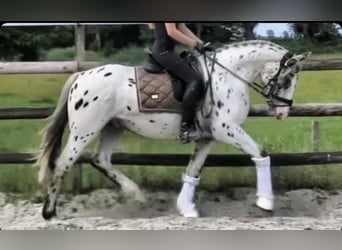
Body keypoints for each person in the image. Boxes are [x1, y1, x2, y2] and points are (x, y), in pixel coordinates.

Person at [150, 23, 212, 144]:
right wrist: (194, 44)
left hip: (169, 52)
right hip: (163, 53)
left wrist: (201, 43)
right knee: (194, 80)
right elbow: (172, 32)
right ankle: (185, 129)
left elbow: (182, 28)